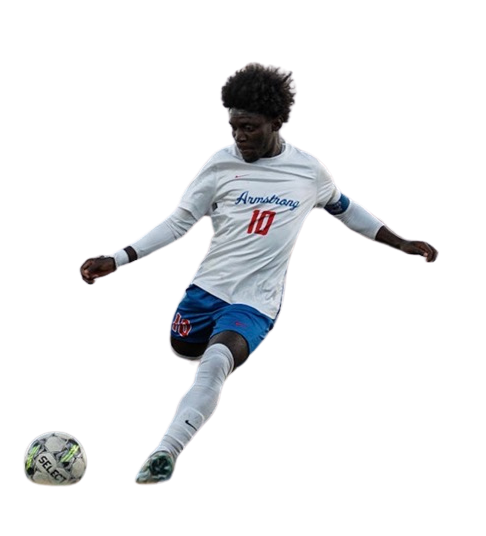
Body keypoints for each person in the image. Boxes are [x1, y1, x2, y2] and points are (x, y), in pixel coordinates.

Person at [80, 62, 439, 485]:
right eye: (233, 127)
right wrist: (119, 258)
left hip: (257, 302)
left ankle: (165, 452)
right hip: (205, 292)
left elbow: (346, 209)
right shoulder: (219, 165)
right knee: (184, 350)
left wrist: (400, 242)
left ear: (277, 122)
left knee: (216, 364)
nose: (239, 136)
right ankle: (196, 363)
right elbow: (179, 222)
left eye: (249, 127)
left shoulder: (309, 170)